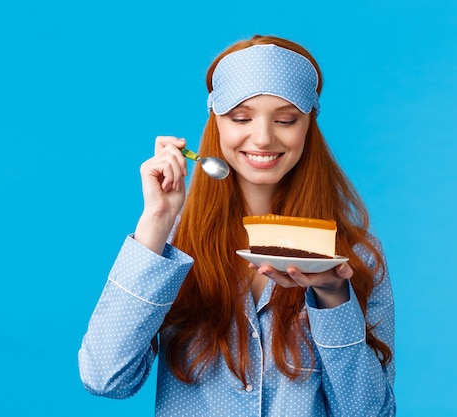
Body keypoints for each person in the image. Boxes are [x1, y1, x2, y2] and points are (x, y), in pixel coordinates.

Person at [78, 34, 396, 416]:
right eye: (241, 118)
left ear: (308, 125)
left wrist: (332, 299)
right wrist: (156, 223)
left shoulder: (354, 255)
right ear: (216, 121)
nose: (262, 138)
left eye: (285, 119)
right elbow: (104, 378)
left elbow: (371, 413)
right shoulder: (171, 245)